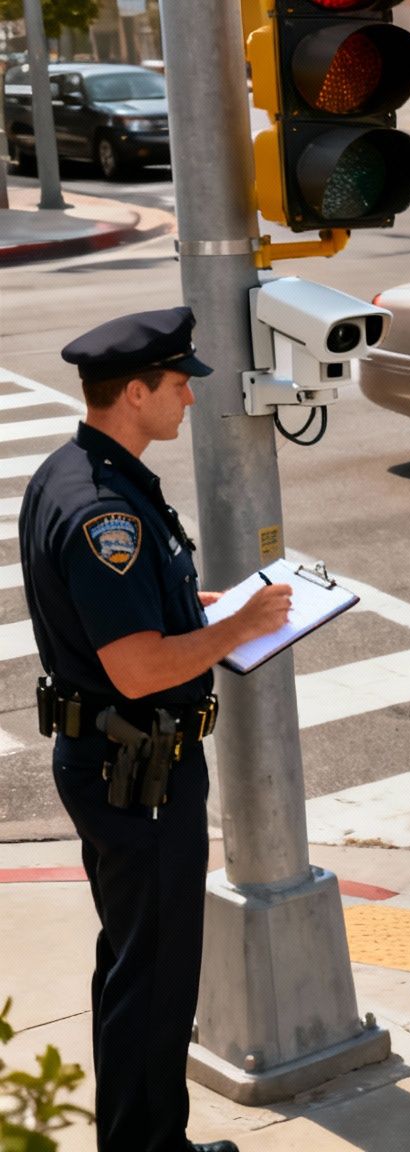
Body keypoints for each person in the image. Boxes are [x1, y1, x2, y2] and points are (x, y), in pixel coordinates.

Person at [22, 308, 293, 1152]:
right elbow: (137, 668)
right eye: (177, 385)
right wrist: (238, 633)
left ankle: (138, 1141)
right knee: (158, 975)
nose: (187, 399)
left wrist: (208, 606)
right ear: (134, 392)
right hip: (137, 775)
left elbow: (122, 615)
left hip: (109, 762)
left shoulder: (72, 472)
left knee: (133, 963)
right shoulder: (110, 511)